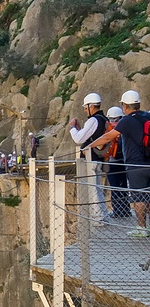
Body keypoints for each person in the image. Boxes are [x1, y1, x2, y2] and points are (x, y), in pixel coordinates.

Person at [88, 90, 150, 237]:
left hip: (136, 165)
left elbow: (109, 137)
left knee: (139, 197)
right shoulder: (147, 116)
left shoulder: (126, 121)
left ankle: (142, 228)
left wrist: (89, 146)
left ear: (125, 106)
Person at [68, 92, 109, 221]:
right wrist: (80, 128)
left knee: (93, 190)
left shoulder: (93, 120)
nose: (85, 111)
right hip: (98, 157)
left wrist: (73, 127)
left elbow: (79, 139)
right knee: (97, 188)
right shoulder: (103, 119)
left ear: (91, 106)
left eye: (86, 108)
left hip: (92, 159)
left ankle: (98, 218)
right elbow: (90, 136)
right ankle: (103, 215)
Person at [103, 106, 131, 218]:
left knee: (115, 188)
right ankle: (125, 210)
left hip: (111, 163)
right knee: (123, 186)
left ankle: (118, 211)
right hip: (123, 162)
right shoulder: (125, 129)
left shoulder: (109, 131)